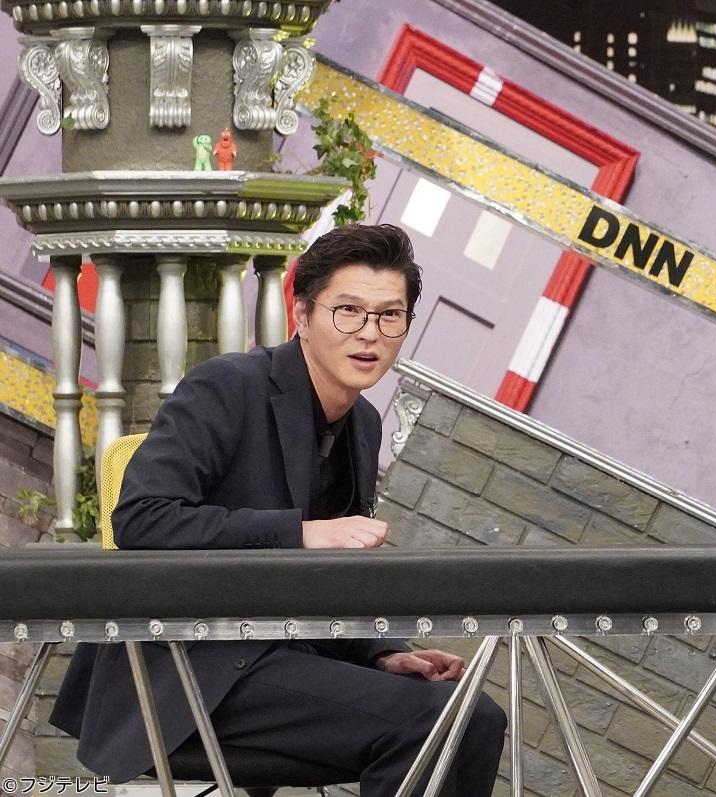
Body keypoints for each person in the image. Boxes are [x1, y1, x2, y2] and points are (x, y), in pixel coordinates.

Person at [50, 224, 506, 796]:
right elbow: (142, 519)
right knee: (429, 722)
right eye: (348, 311)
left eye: (390, 316)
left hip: (285, 659)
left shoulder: (363, 424)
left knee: (477, 716)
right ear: (302, 315)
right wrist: (301, 532)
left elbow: (329, 586)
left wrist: (383, 653)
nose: (370, 333)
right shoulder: (227, 385)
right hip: (189, 667)